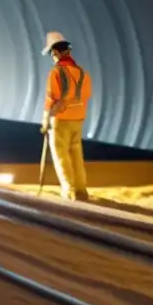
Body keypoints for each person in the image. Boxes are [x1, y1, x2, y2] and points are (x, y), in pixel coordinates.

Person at [41, 31, 93, 202]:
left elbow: (51, 97)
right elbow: (85, 95)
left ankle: (69, 190)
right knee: (76, 155)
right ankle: (81, 189)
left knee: (61, 155)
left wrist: (46, 119)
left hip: (60, 120)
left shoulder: (56, 73)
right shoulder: (83, 74)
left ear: (56, 52)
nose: (52, 57)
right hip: (78, 119)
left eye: (51, 53)